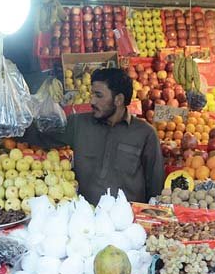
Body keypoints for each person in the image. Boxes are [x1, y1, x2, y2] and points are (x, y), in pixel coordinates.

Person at [25, 67, 164, 205]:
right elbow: (40, 134)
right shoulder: (78, 124)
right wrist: (10, 124)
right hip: (86, 216)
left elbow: (155, 187)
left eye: (99, 95)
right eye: (92, 94)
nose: (92, 101)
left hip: (127, 220)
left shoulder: (145, 133)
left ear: (119, 100)